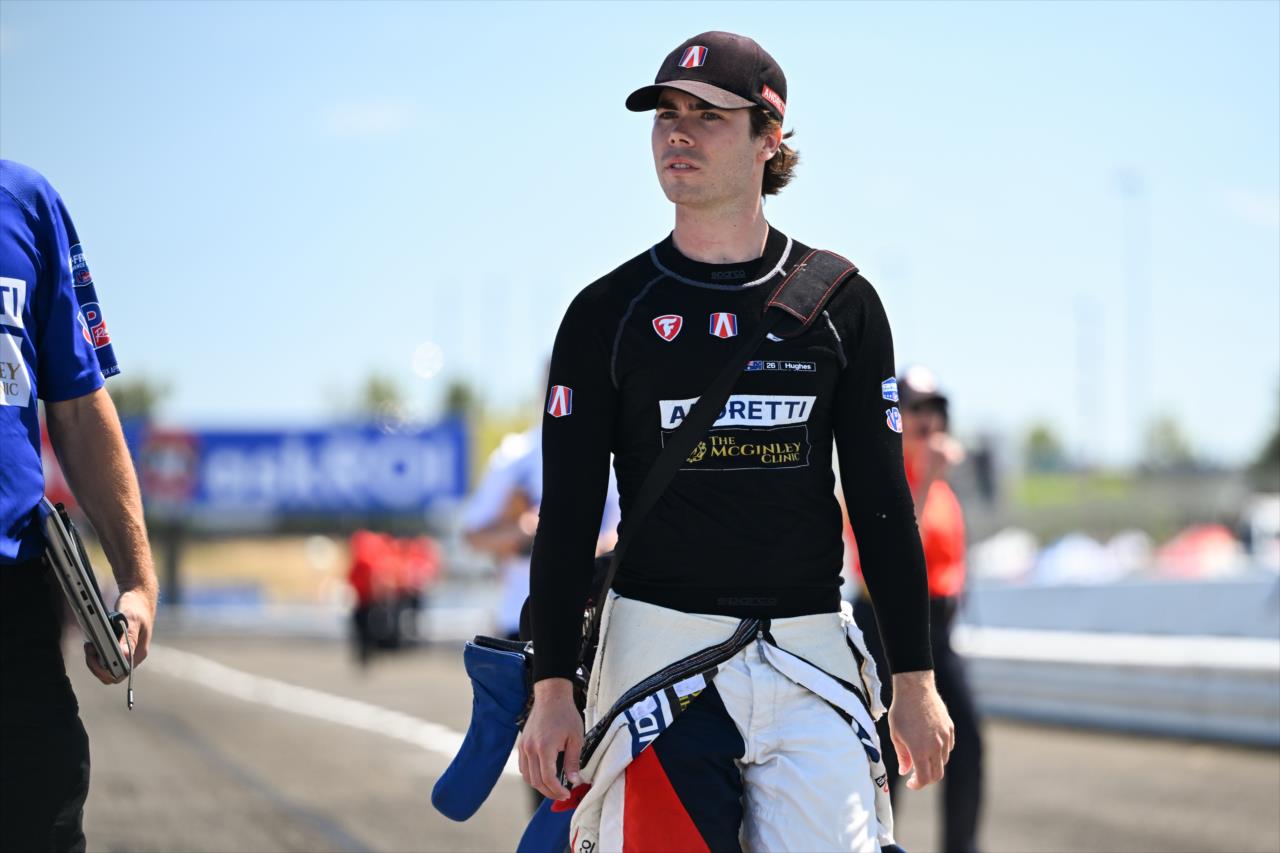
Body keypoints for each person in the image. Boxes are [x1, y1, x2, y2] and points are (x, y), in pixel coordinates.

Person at [518, 33, 953, 852]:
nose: (677, 132)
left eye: (708, 116)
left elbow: (881, 502)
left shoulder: (844, 303)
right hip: (660, 669)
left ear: (768, 139)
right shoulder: (605, 313)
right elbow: (568, 514)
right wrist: (550, 689)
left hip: (808, 657)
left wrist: (915, 678)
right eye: (666, 114)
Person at [0, 159, 158, 851]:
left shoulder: (26, 203)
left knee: (44, 818)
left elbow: (78, 407)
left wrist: (138, 581)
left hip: (12, 602)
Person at [851, 365, 984, 853]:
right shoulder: (883, 478)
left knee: (965, 742)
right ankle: (879, 845)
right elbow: (892, 554)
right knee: (891, 751)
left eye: (936, 408)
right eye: (916, 409)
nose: (929, 420)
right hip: (888, 626)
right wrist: (925, 479)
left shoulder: (940, 481)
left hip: (939, 627)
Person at [462, 423, 620, 641]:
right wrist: (526, 530)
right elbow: (473, 536)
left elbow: (623, 535)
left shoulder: (609, 456)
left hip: (593, 618)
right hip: (522, 617)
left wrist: (579, 545)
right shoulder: (514, 455)